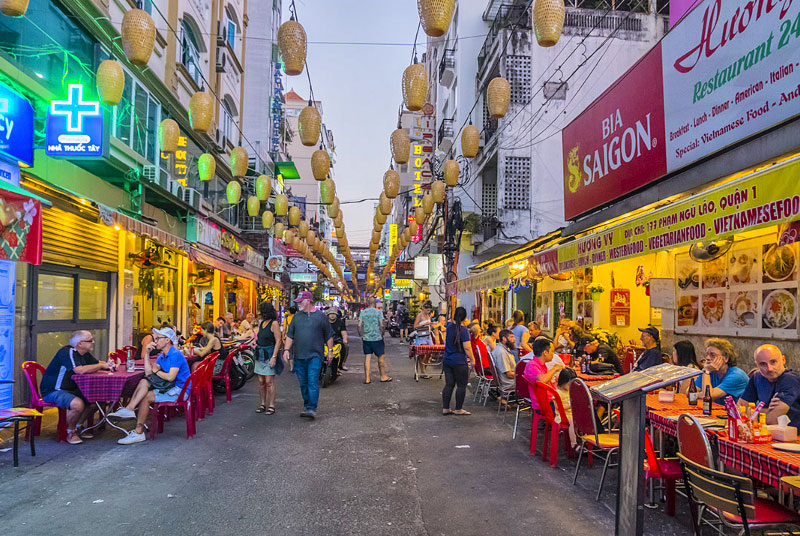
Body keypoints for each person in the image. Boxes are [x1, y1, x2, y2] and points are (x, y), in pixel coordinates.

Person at [111, 327, 190, 444]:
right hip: (168, 386)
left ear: (167, 340)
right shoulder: (162, 356)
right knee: (144, 381)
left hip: (179, 390)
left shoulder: (175, 354)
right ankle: (130, 409)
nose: (155, 341)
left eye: (158, 338)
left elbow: (170, 377)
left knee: (146, 397)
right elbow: (148, 373)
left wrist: (157, 371)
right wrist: (147, 354)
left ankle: (138, 431)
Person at [40, 330, 113, 445]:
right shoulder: (68, 351)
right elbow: (79, 370)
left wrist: (108, 365)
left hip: (73, 389)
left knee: (98, 399)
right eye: (90, 341)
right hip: (55, 390)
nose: (93, 342)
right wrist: (101, 365)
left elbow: (97, 363)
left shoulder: (84, 354)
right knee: (77, 404)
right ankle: (70, 432)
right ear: (80, 344)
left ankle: (78, 426)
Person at [283, 291, 334, 419]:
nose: (299, 304)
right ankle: (307, 406)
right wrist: (286, 350)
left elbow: (329, 335)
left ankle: (312, 408)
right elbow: (290, 335)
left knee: (312, 381)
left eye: (301, 301)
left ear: (309, 301)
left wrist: (331, 351)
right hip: (299, 356)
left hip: (315, 355)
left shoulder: (321, 317)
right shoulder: (297, 317)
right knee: (303, 383)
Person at [738, 345, 800, 427]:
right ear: (757, 365)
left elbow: (772, 420)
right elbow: (739, 409)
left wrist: (755, 411)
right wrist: (767, 410)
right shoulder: (757, 377)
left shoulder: (790, 379)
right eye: (763, 364)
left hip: (792, 436)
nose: (769, 368)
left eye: (773, 362)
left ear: (783, 360)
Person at [694, 338, 749, 403]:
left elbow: (708, 396)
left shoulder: (737, 376)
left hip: (734, 412)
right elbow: (689, 392)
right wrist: (700, 394)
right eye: (706, 354)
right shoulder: (711, 371)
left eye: (712, 355)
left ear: (726, 358)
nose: (707, 358)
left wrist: (706, 372)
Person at [442, 307, 474, 416]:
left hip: (447, 359)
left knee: (449, 384)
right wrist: (472, 359)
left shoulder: (449, 327)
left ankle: (445, 408)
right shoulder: (463, 330)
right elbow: (467, 347)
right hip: (459, 361)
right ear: (465, 317)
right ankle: (458, 409)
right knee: (461, 385)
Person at [254, 302, 282, 415]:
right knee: (261, 381)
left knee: (269, 381)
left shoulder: (274, 323)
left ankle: (271, 405)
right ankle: (262, 404)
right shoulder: (262, 323)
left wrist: (274, 356)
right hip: (260, 354)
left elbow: (278, 340)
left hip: (269, 354)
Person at [523, 338, 564, 410]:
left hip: (549, 399)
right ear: (545, 353)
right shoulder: (532, 365)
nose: (553, 354)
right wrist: (554, 368)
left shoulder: (541, 364)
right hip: (544, 403)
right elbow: (541, 380)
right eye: (552, 351)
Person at [358, 297, 391, 384]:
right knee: (381, 357)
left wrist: (361, 334)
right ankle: (383, 376)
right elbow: (382, 325)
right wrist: (382, 333)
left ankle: (367, 378)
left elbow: (359, 325)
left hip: (366, 338)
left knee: (367, 358)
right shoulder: (378, 312)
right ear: (375, 304)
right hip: (377, 338)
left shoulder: (363, 312)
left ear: (367, 303)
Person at [555, 367, 578, 447]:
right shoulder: (558, 393)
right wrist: (570, 406)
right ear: (563, 382)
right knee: (572, 422)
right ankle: (573, 443)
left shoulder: (569, 390)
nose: (571, 386)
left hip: (571, 414)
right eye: (569, 384)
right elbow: (558, 407)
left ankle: (583, 439)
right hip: (562, 416)